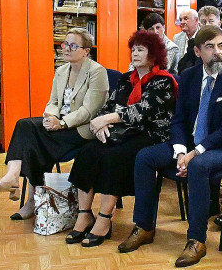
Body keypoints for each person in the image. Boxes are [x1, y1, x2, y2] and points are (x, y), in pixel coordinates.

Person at [117, 26, 222, 267]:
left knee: (198, 166)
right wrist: (180, 151)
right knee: (145, 157)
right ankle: (144, 226)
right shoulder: (188, 76)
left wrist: (194, 153)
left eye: (221, 46)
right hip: (188, 143)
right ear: (198, 51)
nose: (217, 52)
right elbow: (177, 119)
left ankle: (197, 240)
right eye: (210, 47)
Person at [66, 30, 178, 247]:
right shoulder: (127, 79)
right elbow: (108, 105)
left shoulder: (163, 82)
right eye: (133, 49)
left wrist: (108, 118)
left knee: (114, 157)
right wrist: (100, 126)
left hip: (149, 135)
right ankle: (84, 214)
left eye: (141, 50)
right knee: (88, 151)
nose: (134, 54)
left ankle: (105, 218)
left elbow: (143, 111)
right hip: (121, 132)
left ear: (153, 54)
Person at [0, 30, 108, 218]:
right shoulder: (61, 71)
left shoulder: (97, 72)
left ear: (86, 51)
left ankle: (30, 199)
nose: (67, 49)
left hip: (81, 129)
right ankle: (13, 176)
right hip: (58, 124)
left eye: (73, 45)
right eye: (65, 44)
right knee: (25, 125)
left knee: (35, 142)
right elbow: (53, 102)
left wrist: (61, 123)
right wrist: (50, 117)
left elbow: (88, 111)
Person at [176, 5, 221, 74]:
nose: (207, 25)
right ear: (199, 24)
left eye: (211, 21)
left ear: (219, 24)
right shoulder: (193, 43)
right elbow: (183, 67)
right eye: (203, 22)